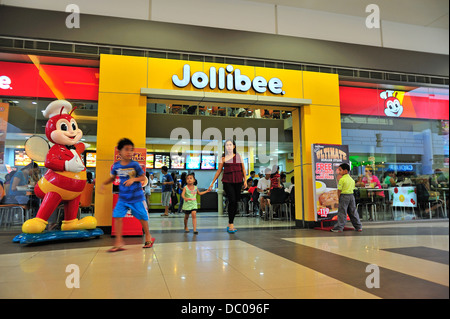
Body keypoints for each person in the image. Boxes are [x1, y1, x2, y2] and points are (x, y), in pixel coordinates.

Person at [99, 138, 155, 252]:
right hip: (123, 197)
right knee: (117, 216)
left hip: (136, 196)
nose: (129, 152)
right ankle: (119, 242)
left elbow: (143, 177)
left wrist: (134, 179)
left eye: (131, 150)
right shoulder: (116, 166)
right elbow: (113, 178)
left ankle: (148, 236)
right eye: (126, 149)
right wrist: (104, 184)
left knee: (142, 216)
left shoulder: (135, 165)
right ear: (119, 151)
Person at [208, 139, 247, 233]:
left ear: (234, 146)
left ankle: (230, 223)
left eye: (230, 145)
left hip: (238, 181)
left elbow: (243, 169)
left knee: (236, 201)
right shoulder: (223, 158)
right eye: (227, 145)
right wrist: (212, 182)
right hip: (227, 181)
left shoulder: (238, 156)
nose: (228, 146)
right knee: (232, 200)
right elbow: (219, 171)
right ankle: (231, 224)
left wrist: (245, 180)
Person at [331, 163, 363, 233]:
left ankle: (339, 227)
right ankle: (358, 226)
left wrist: (339, 198)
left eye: (340, 170)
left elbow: (339, 190)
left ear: (345, 171)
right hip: (351, 196)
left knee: (342, 212)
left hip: (344, 196)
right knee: (353, 212)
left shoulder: (342, 179)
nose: (339, 172)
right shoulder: (351, 180)